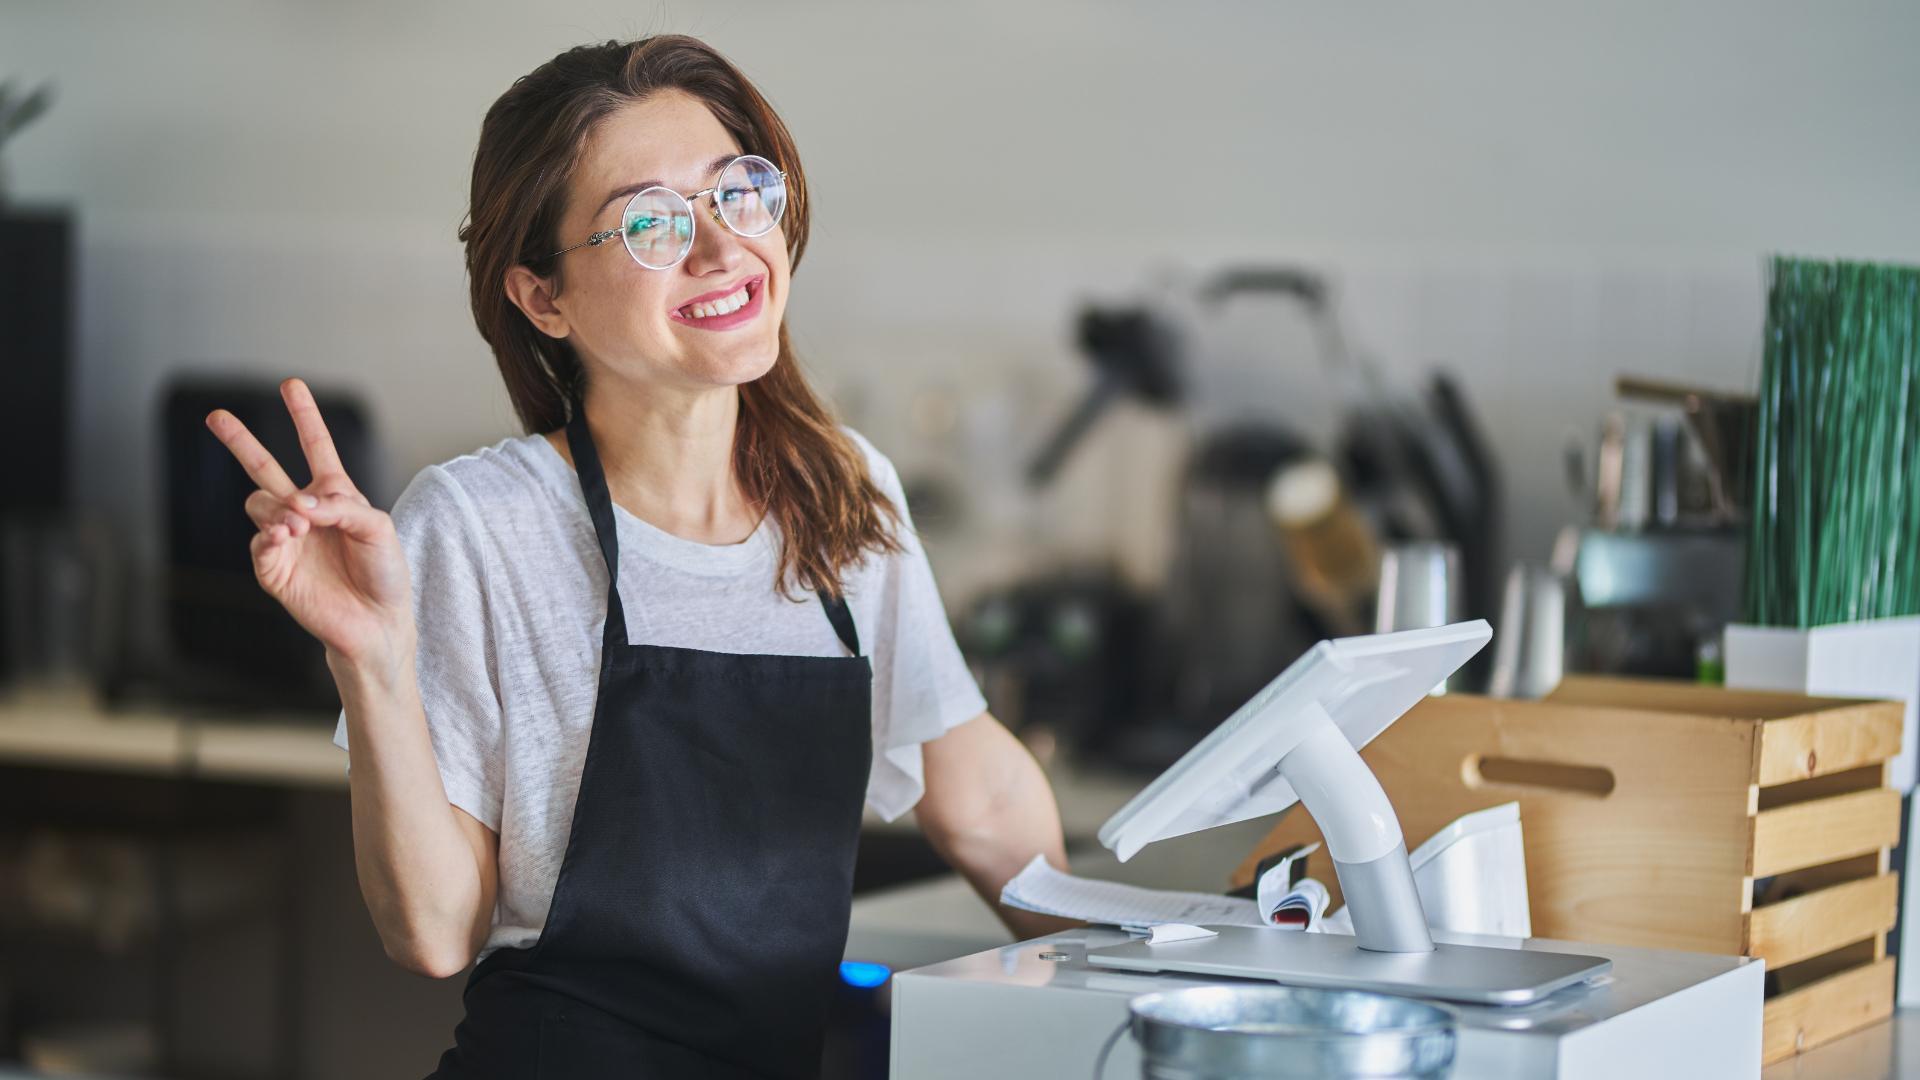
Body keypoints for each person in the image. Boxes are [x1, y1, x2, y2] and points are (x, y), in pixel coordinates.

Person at [205, 34, 1070, 1078]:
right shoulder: (482, 524)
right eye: (651, 223)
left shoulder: (842, 495)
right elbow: (431, 933)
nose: (719, 249)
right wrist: (373, 662)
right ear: (542, 298)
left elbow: (976, 796)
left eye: (736, 193)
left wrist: (1138, 977)